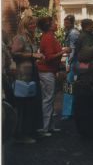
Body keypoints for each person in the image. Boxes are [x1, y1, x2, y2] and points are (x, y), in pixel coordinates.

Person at [10, 16, 44, 144]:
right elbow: (14, 53)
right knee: (23, 106)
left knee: (32, 104)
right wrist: (32, 55)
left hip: (32, 74)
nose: (33, 26)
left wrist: (37, 56)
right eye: (30, 24)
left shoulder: (31, 38)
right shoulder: (19, 38)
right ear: (24, 25)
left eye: (34, 24)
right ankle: (20, 135)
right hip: (23, 76)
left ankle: (30, 131)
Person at [37, 16, 67, 136]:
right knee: (48, 99)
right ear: (49, 26)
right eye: (54, 22)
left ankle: (50, 126)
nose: (56, 24)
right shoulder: (48, 38)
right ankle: (44, 128)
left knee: (50, 99)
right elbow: (49, 57)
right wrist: (63, 51)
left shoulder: (48, 37)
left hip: (49, 71)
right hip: (46, 71)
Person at [61, 15, 79, 120]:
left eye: (67, 22)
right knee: (71, 86)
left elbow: (72, 50)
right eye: (65, 22)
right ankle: (71, 110)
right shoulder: (72, 32)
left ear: (72, 23)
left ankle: (67, 112)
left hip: (72, 62)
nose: (65, 24)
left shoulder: (72, 33)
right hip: (73, 61)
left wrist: (68, 65)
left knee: (68, 86)